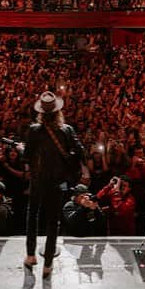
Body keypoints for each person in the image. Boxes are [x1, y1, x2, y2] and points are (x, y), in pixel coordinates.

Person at [22, 90, 85, 278]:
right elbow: (80, 151)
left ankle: (31, 255)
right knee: (52, 223)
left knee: (32, 217)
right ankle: (48, 264)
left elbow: (26, 156)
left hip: (38, 181)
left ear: (41, 111)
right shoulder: (66, 130)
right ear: (58, 111)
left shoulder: (34, 130)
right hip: (58, 182)